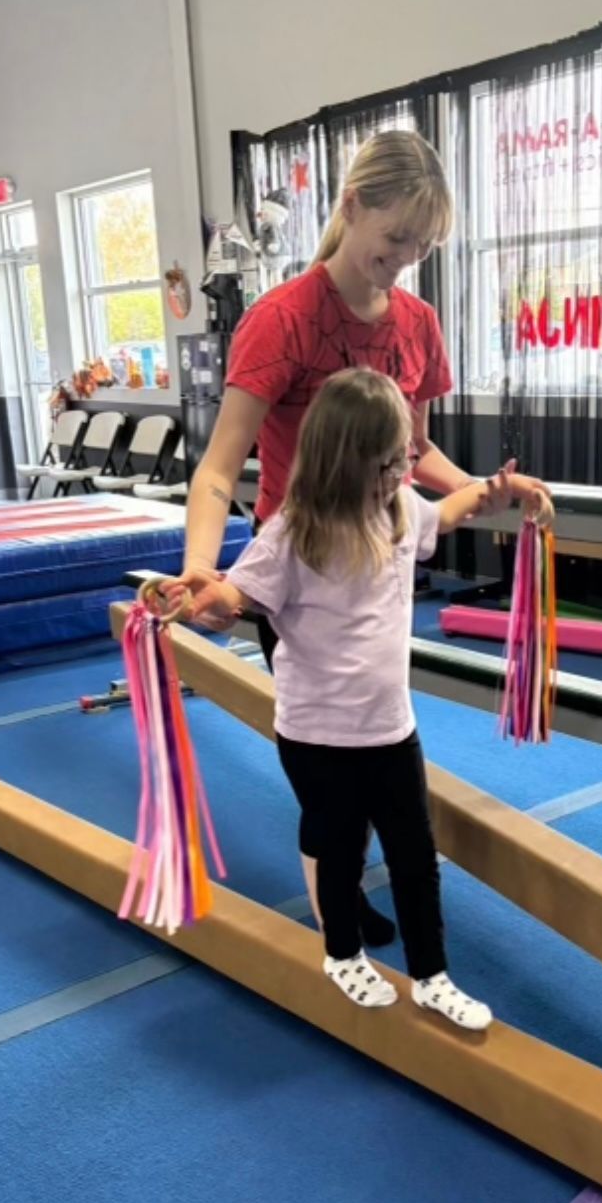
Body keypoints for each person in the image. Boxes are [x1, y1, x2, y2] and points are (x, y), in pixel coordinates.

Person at [167, 128, 551, 946]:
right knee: (330, 757)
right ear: (352, 207)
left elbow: (416, 454)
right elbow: (217, 468)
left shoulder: (416, 323)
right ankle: (332, 909)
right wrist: (202, 569)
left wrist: (491, 489)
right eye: (396, 237)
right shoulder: (283, 321)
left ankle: (351, 880)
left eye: (423, 243)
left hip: (378, 560)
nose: (406, 257)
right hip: (298, 569)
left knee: (377, 731)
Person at [175, 368, 512, 1029]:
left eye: (405, 459)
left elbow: (448, 510)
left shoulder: (400, 510)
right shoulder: (293, 533)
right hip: (318, 735)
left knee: (416, 857)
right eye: (391, 462)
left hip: (391, 729)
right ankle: (342, 953)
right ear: (347, 460)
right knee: (340, 851)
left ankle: (432, 974)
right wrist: (202, 599)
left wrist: (497, 493)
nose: (404, 472)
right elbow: (236, 599)